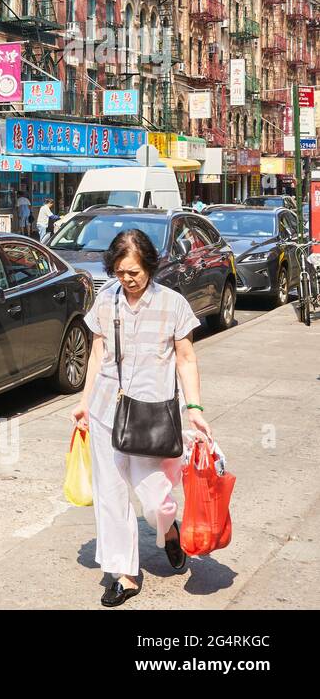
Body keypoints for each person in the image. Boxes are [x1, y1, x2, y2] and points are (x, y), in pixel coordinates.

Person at [71, 229, 213, 607]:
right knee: (111, 495)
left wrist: (195, 409)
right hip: (106, 412)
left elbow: (186, 359)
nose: (128, 280)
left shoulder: (173, 304)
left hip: (154, 415)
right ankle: (124, 573)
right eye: (120, 273)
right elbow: (97, 356)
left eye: (133, 272)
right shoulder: (106, 301)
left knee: (156, 500)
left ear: (149, 265)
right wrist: (85, 403)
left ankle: (167, 533)